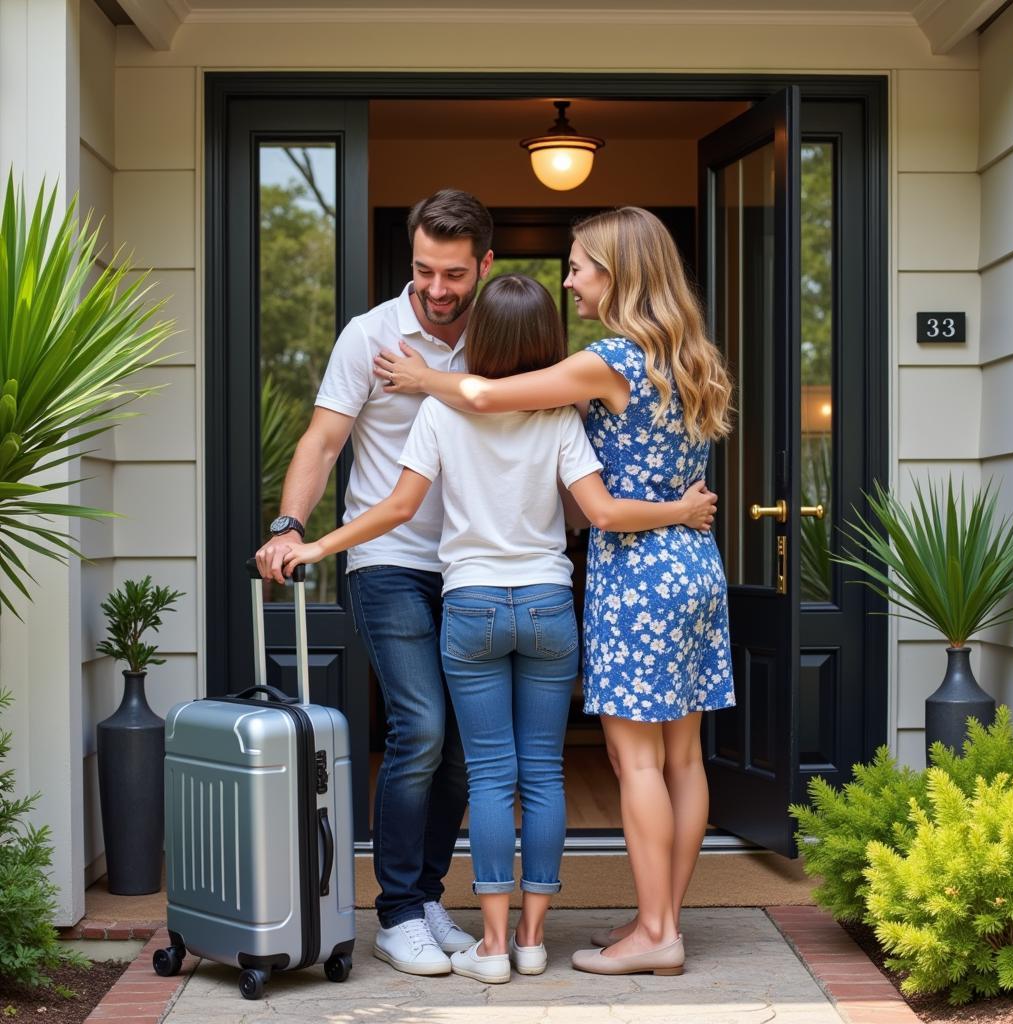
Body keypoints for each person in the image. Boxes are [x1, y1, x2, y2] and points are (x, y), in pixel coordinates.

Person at [279, 273, 717, 983]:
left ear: (479, 337)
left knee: (488, 775)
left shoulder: (442, 415)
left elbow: (396, 510)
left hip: (472, 607)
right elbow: (592, 510)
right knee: (543, 775)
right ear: (547, 345)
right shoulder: (562, 420)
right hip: (547, 606)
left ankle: (489, 945)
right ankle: (534, 938)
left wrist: (318, 546)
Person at [373, 206, 736, 977]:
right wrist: (683, 510)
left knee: (634, 762)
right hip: (696, 566)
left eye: (578, 266)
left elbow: (485, 398)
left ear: (618, 273)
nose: (568, 280)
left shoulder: (610, 360)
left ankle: (657, 933)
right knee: (683, 760)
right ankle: (658, 920)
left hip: (639, 572)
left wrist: (421, 376)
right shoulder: (691, 353)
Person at [254, 189, 495, 978]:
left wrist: (432, 382)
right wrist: (292, 526)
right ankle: (394, 912)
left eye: (453, 273)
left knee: (461, 747)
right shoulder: (370, 335)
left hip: (471, 564)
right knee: (421, 726)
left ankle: (426, 898)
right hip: (386, 560)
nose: (435, 288)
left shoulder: (499, 334)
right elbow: (324, 441)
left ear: (484, 266)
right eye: (424, 269)